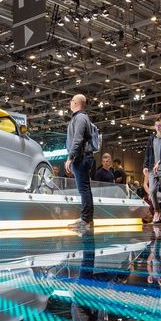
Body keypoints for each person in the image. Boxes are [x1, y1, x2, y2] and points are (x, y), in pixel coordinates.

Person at [64, 94, 95, 232]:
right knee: (85, 189)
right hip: (82, 157)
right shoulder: (80, 117)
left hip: (81, 158)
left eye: (71, 101)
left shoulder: (81, 118)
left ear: (76, 103)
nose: (70, 103)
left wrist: (70, 157)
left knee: (84, 189)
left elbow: (78, 139)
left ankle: (86, 219)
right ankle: (87, 218)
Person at [143, 122, 161, 223]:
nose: (158, 126)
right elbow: (147, 153)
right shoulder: (151, 138)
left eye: (160, 125)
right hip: (152, 168)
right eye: (156, 125)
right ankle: (157, 210)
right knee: (152, 191)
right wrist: (145, 166)